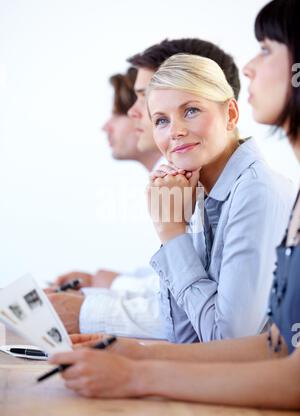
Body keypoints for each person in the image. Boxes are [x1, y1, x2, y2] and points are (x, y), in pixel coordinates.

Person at [50, 0, 300, 409]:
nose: (174, 131)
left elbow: (228, 343)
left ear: (231, 113)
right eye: (162, 119)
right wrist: (133, 352)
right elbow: (195, 337)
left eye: (191, 111)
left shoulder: (256, 189)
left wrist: (172, 235)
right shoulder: (200, 187)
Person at [48, 38, 253, 340]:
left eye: (142, 97)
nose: (133, 112)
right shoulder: (184, 183)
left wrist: (90, 308)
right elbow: (183, 297)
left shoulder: (246, 191)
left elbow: (212, 324)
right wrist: (106, 284)